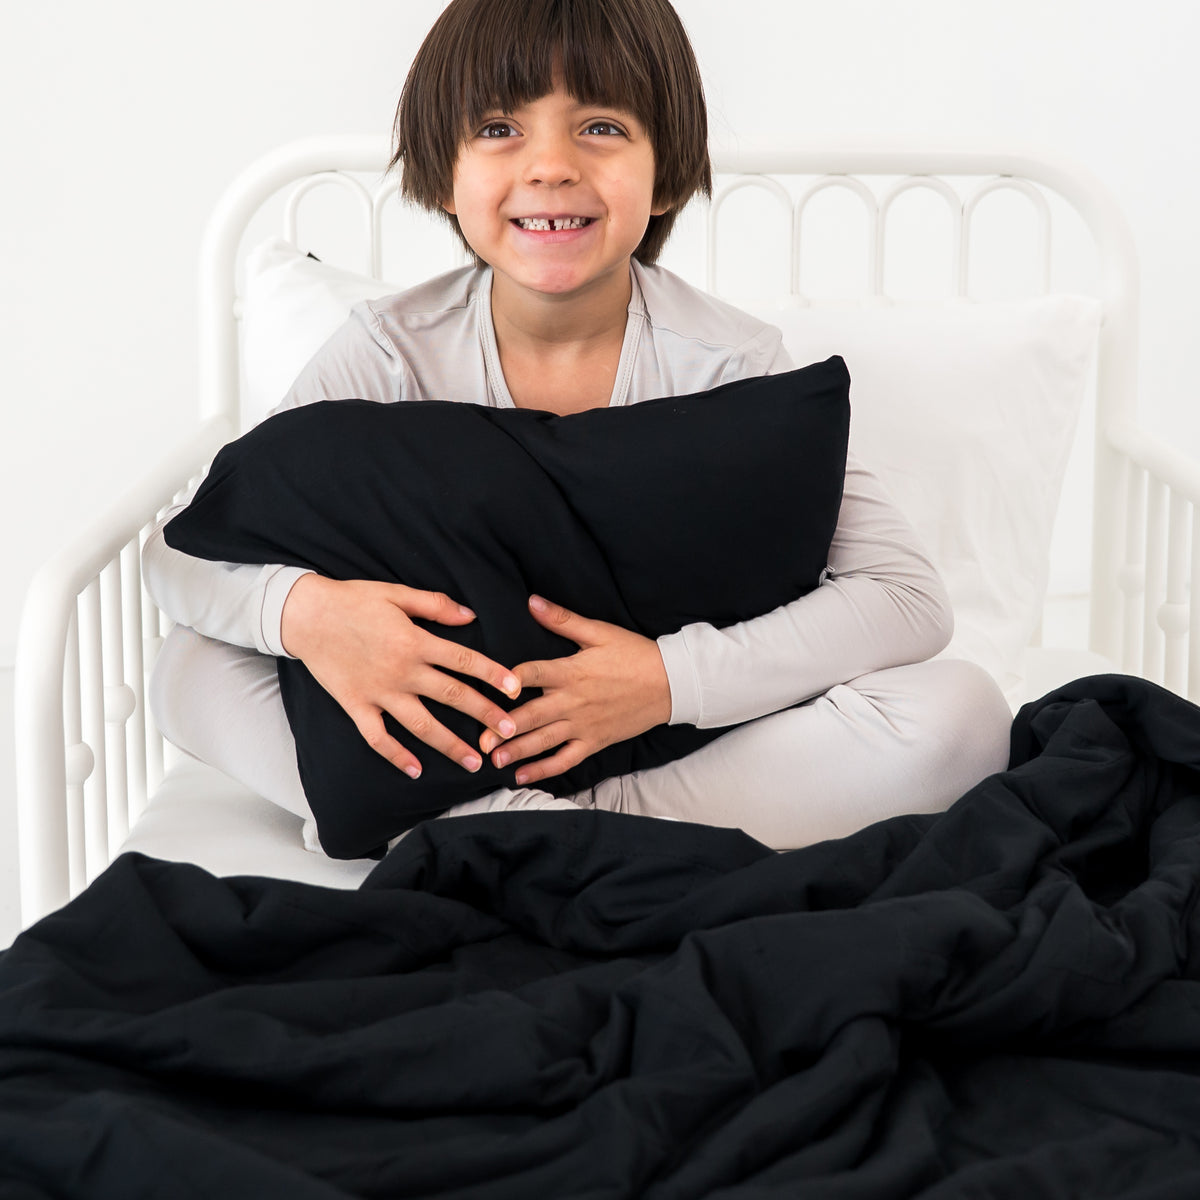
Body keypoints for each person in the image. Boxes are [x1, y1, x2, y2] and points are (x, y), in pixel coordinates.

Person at [144, 0, 1012, 855]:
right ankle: (541, 834)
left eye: (599, 127)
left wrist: (667, 681)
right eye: (497, 129)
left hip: (667, 742)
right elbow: (187, 552)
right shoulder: (383, 355)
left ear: (666, 168)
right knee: (193, 667)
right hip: (455, 723)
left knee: (960, 716)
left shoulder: (735, 366)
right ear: (443, 173)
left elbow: (904, 600)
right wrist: (310, 617)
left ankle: (516, 834)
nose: (550, 166)